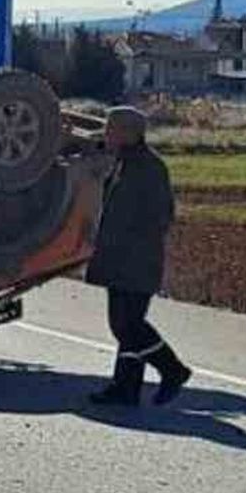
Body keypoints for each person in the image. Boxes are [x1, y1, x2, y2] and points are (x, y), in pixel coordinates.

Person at [85, 106, 191, 407]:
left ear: (130, 133)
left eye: (111, 129)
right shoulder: (124, 162)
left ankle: (173, 369)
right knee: (126, 324)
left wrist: (129, 241)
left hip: (137, 259)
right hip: (119, 258)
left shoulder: (150, 168)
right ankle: (126, 387)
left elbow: (161, 215)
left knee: (127, 325)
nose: (106, 134)